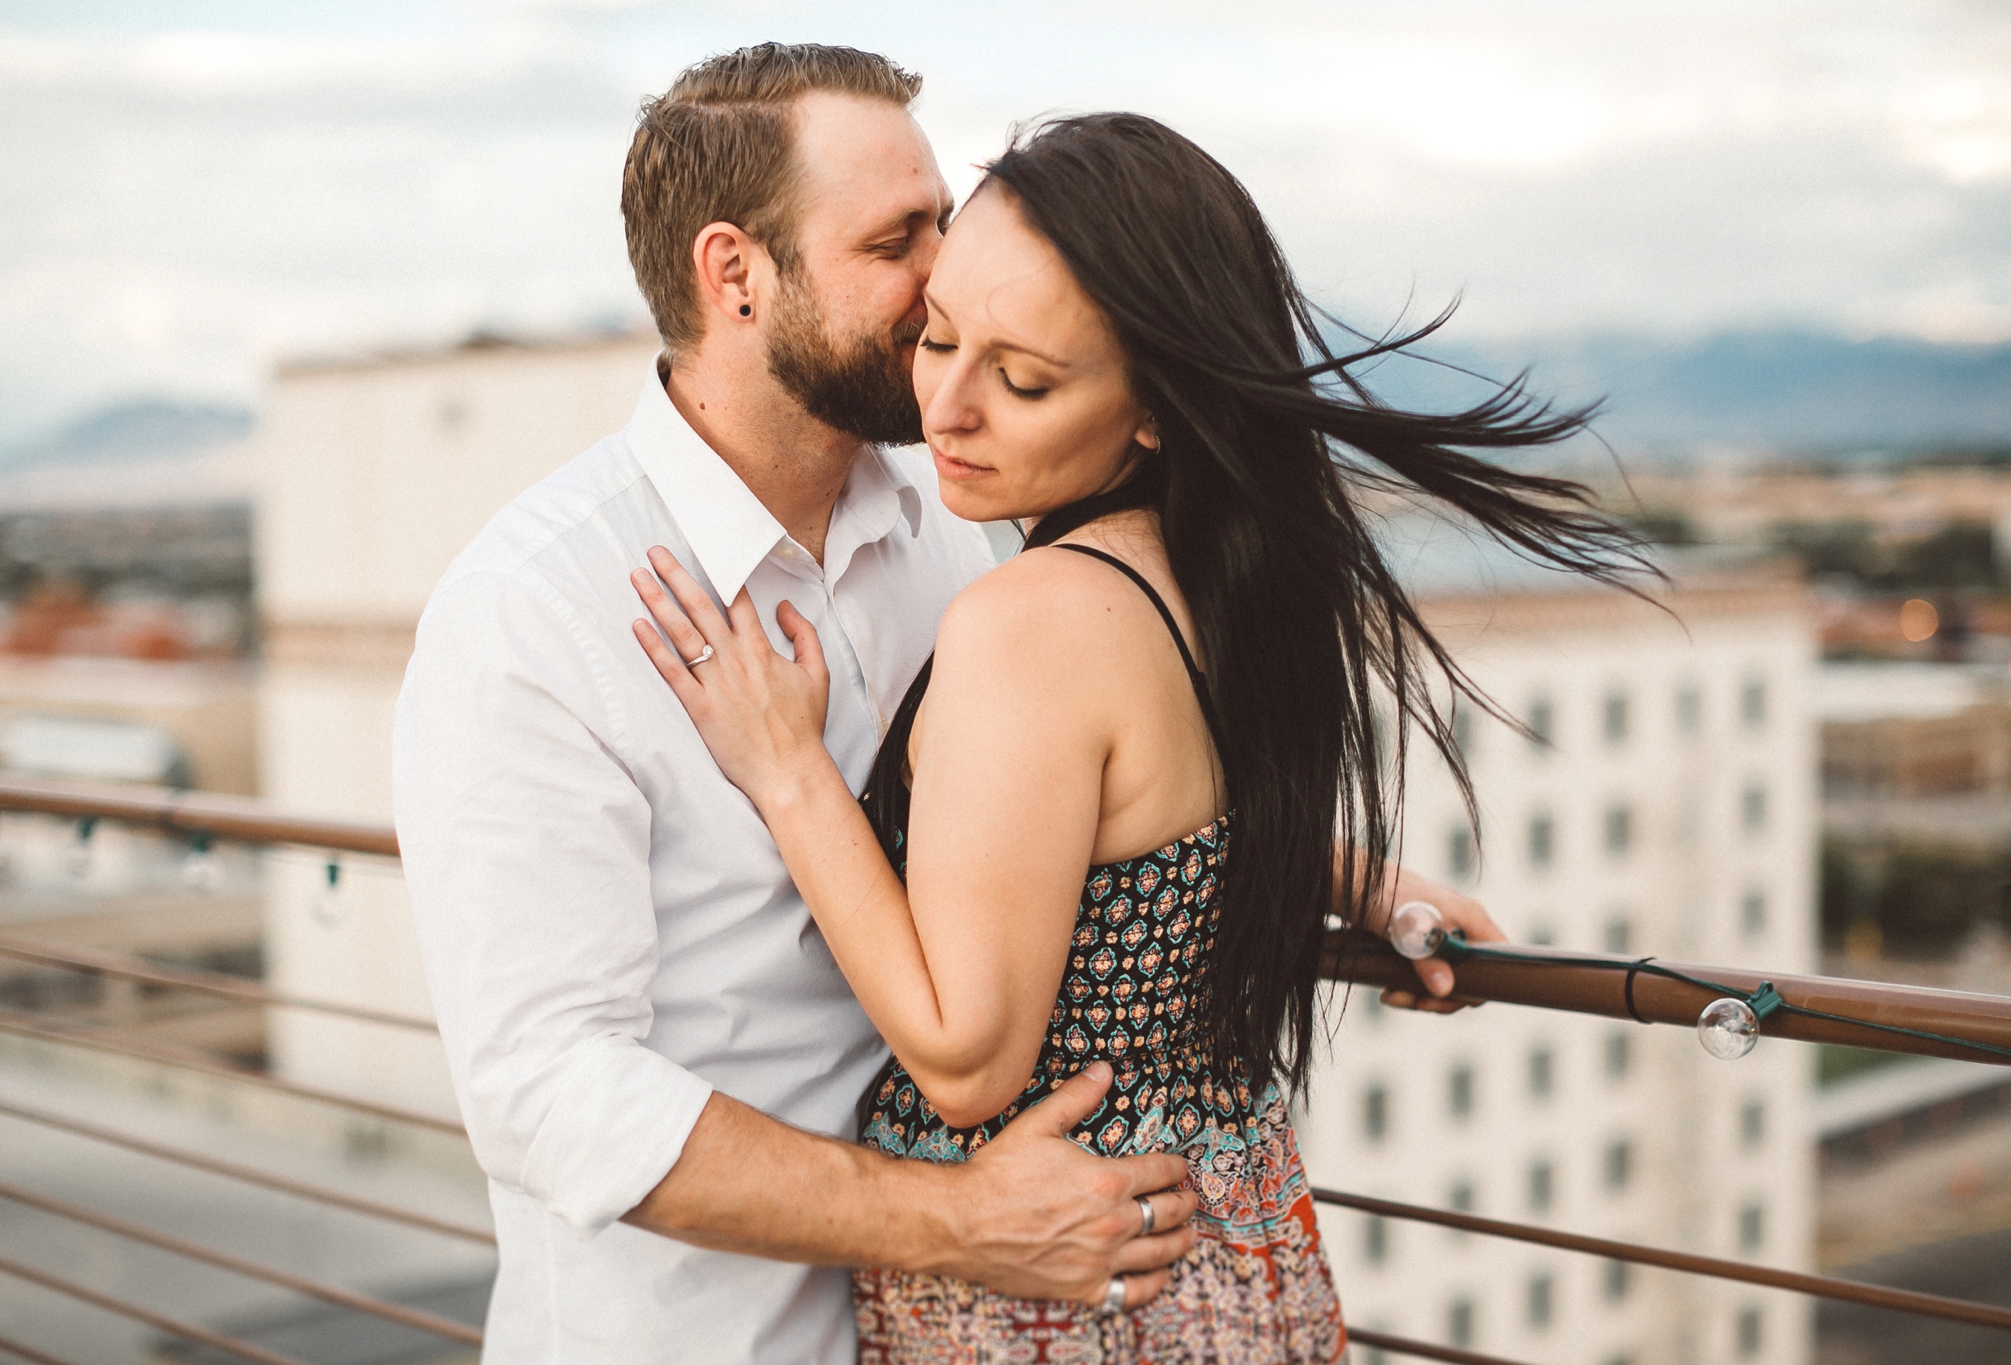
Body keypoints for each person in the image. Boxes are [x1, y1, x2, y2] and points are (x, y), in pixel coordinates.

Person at [629, 112, 1643, 1362]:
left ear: (1157, 410)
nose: (942, 406)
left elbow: (963, 1059)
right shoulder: (1209, 579)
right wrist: (1342, 873)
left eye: (1023, 379)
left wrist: (788, 772)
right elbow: (1140, 818)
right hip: (1235, 1249)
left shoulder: (1030, 617)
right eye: (938, 335)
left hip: (1062, 1283)